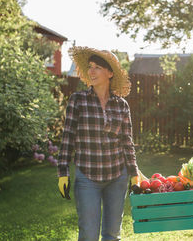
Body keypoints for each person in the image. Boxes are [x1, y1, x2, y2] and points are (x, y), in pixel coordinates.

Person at [57, 47, 139, 241]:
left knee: (112, 234)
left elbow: (127, 142)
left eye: (97, 68)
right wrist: (63, 172)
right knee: (88, 235)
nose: (91, 71)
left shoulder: (121, 105)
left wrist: (134, 173)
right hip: (88, 177)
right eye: (90, 67)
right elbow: (68, 137)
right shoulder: (78, 100)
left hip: (117, 177)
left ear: (110, 73)